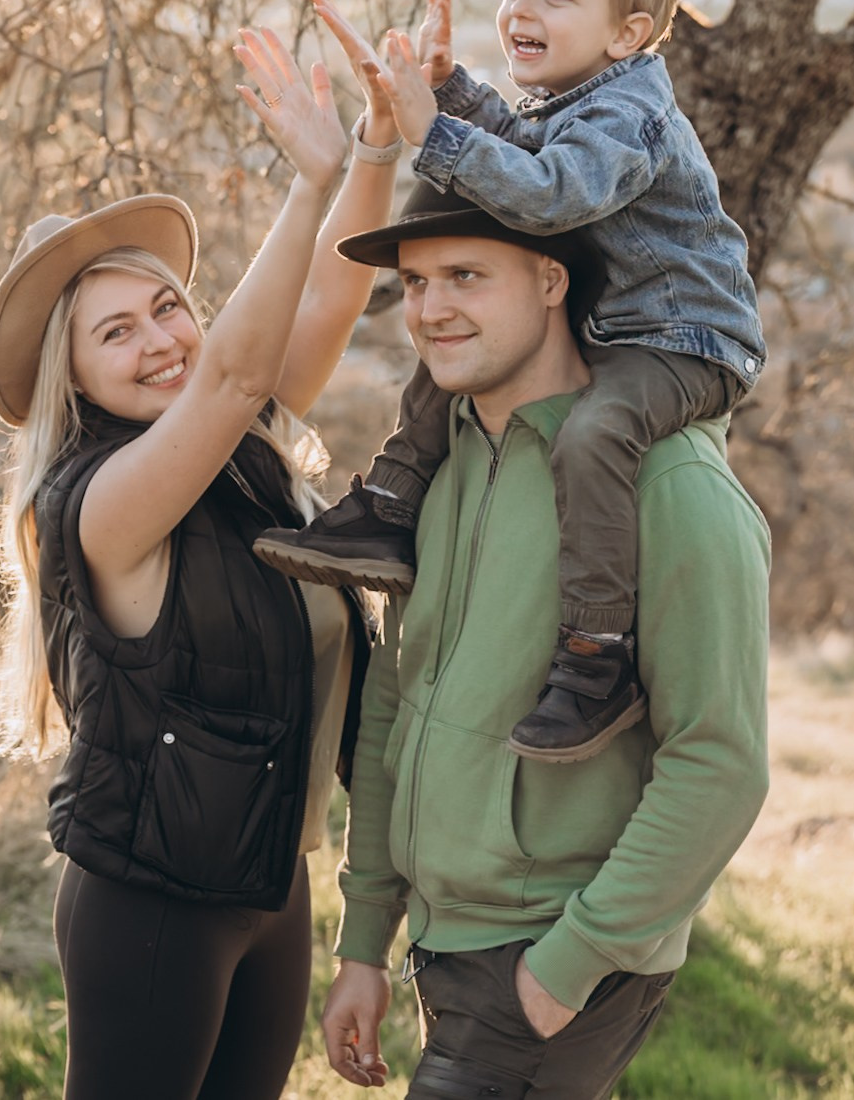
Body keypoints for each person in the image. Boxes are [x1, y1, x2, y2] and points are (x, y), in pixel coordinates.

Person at [0, 25, 406, 1100]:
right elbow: (225, 376)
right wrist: (303, 190)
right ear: (72, 378)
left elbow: (327, 301)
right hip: (154, 901)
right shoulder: (98, 501)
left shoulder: (245, 452)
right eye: (114, 332)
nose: (161, 339)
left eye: (167, 305)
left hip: (270, 880)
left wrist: (369, 151)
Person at [256, 0, 766, 761]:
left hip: (685, 341)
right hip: (617, 320)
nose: (523, 10)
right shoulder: (580, 95)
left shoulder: (632, 113)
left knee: (595, 433)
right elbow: (521, 146)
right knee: (460, 343)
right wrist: (453, 90)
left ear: (629, 32)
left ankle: (598, 657)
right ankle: (390, 504)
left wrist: (430, 127)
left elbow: (550, 194)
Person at [319, 177, 771, 1099]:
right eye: (414, 282)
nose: (432, 310)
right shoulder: (441, 471)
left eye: (466, 276)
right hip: (449, 947)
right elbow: (395, 705)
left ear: (554, 280)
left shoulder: (669, 482)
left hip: (553, 953)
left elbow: (720, 762)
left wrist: (568, 966)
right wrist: (366, 938)